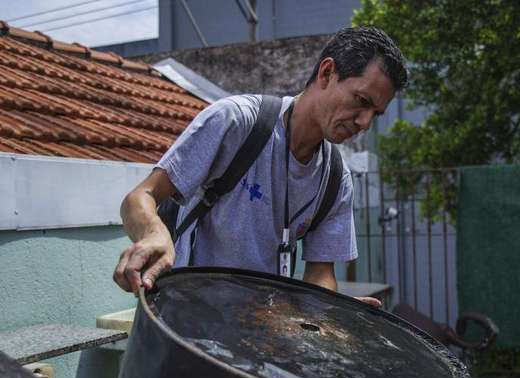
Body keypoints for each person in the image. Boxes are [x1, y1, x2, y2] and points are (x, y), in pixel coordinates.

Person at [113, 27, 408, 307]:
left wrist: (330, 309)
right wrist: (154, 233)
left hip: (261, 336)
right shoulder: (237, 122)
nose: (365, 122)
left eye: (376, 114)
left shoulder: (336, 177)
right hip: (187, 320)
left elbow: (321, 272)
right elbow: (139, 198)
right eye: (361, 101)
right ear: (327, 72)